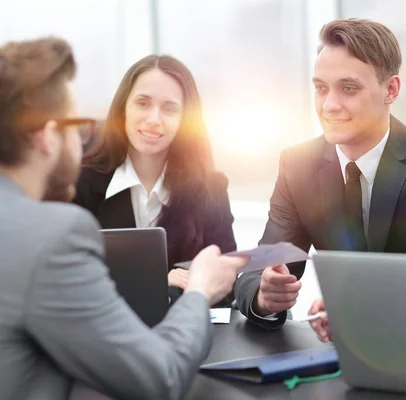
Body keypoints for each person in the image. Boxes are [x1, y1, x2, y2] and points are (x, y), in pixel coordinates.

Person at [0, 37, 247, 399]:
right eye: (78, 123)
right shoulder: (55, 229)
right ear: (49, 137)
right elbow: (157, 379)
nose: (85, 135)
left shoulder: (207, 187)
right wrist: (197, 289)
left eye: (169, 108)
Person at [234, 18, 406, 332]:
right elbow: (254, 276)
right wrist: (265, 296)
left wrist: (364, 310)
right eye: (320, 88)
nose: (329, 105)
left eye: (348, 88)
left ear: (391, 89)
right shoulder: (298, 165)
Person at [74, 54, 236, 305]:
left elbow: (226, 284)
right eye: (143, 103)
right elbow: (69, 281)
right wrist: (160, 286)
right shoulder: (79, 182)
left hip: (189, 337)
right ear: (123, 107)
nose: (153, 119)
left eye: (169, 109)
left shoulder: (210, 189)